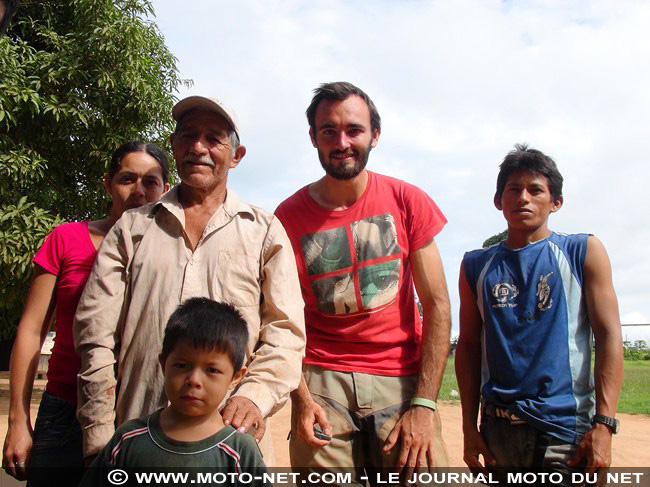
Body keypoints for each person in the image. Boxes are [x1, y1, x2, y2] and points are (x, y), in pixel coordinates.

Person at [74, 95, 305, 466]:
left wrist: (254, 397)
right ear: (174, 145)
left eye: (213, 138)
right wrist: (100, 435)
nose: (198, 147)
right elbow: (94, 335)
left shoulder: (263, 231)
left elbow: (286, 331)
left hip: (231, 447)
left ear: (236, 155)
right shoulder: (133, 228)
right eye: (188, 136)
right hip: (135, 444)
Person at [275, 81, 451, 481]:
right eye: (328, 131)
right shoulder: (286, 216)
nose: (342, 142)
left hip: (401, 377)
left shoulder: (408, 200)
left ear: (375, 135)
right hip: (321, 379)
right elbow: (279, 315)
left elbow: (438, 305)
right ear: (313, 138)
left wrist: (424, 404)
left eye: (353, 129)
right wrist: (300, 399)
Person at [2, 141, 170, 485]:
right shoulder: (67, 239)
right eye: (127, 178)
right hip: (66, 410)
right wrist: (18, 421)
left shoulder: (175, 253)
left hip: (143, 413)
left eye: (150, 182)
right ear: (107, 183)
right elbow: (31, 329)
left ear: (165, 190)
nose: (139, 191)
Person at [455, 144, 623, 484]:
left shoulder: (582, 251)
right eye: (513, 190)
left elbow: (608, 336)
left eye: (535, 190)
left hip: (564, 431)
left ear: (555, 201)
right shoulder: (476, 265)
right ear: (498, 200)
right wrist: (468, 428)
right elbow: (469, 347)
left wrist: (604, 424)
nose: (523, 198)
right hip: (497, 429)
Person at [80, 298, 270, 487]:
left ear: (236, 377)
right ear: (164, 365)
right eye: (181, 366)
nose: (194, 380)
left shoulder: (240, 452)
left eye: (212, 370)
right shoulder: (129, 439)